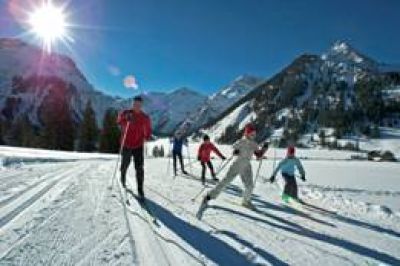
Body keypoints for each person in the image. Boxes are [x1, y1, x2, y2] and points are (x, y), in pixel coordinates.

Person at [200, 124, 269, 211]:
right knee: (226, 181)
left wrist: (264, 149)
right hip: (237, 164)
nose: (253, 135)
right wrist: (235, 151)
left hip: (247, 166)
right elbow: (233, 147)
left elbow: (258, 156)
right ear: (247, 133)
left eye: (254, 134)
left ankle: (246, 202)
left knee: (250, 185)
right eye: (251, 134)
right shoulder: (242, 141)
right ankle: (209, 196)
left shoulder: (254, 144)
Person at [117, 96, 152, 200]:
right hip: (126, 144)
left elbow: (148, 129)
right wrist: (125, 119)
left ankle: (140, 189)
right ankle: (123, 176)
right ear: (132, 104)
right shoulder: (126, 113)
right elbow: (119, 121)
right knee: (125, 164)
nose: (137, 106)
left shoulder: (145, 117)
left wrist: (147, 136)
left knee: (139, 168)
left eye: (139, 105)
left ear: (141, 105)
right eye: (135, 104)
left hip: (138, 145)